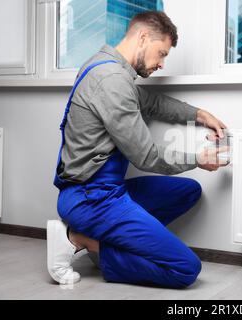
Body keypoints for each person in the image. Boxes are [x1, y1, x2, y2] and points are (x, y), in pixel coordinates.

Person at [47, 11, 229, 288]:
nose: (162, 63)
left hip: (107, 191)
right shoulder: (111, 79)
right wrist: (199, 159)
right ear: (143, 37)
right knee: (185, 268)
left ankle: (105, 242)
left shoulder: (109, 68)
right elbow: (146, 156)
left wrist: (201, 115)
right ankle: (81, 239)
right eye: (161, 53)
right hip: (91, 200)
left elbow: (153, 104)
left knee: (187, 191)